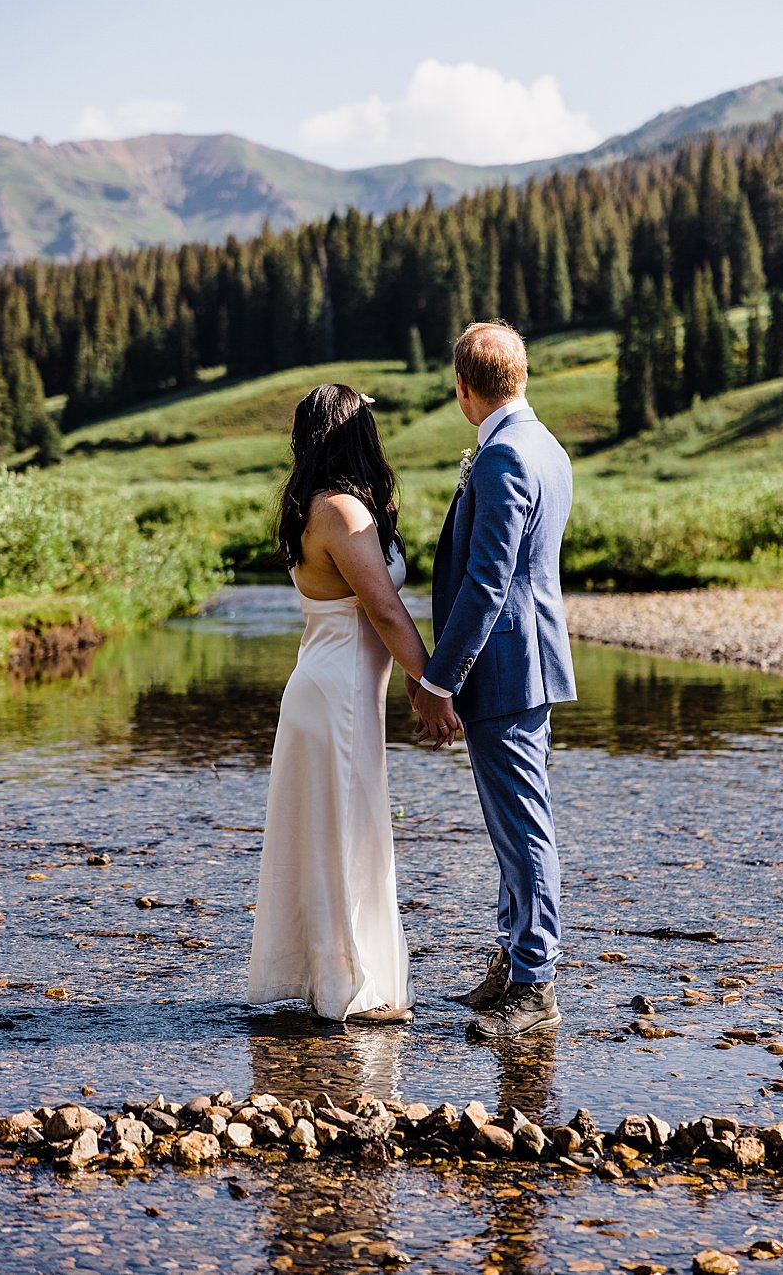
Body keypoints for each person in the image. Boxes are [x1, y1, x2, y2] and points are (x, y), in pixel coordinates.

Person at [411, 320, 577, 1039]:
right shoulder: (544, 445)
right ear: (521, 377)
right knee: (512, 829)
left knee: (523, 828)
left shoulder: (505, 456)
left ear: (463, 389)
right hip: (524, 661)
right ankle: (512, 961)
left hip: (506, 667)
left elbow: (486, 584)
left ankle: (535, 985)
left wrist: (440, 682)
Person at [248, 383, 423, 1025]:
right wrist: (434, 683)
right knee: (346, 836)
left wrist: (408, 673)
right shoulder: (341, 511)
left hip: (331, 691)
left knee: (338, 836)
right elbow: (382, 608)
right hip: (338, 698)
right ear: (357, 436)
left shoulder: (316, 504)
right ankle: (345, 985)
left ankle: (331, 978)